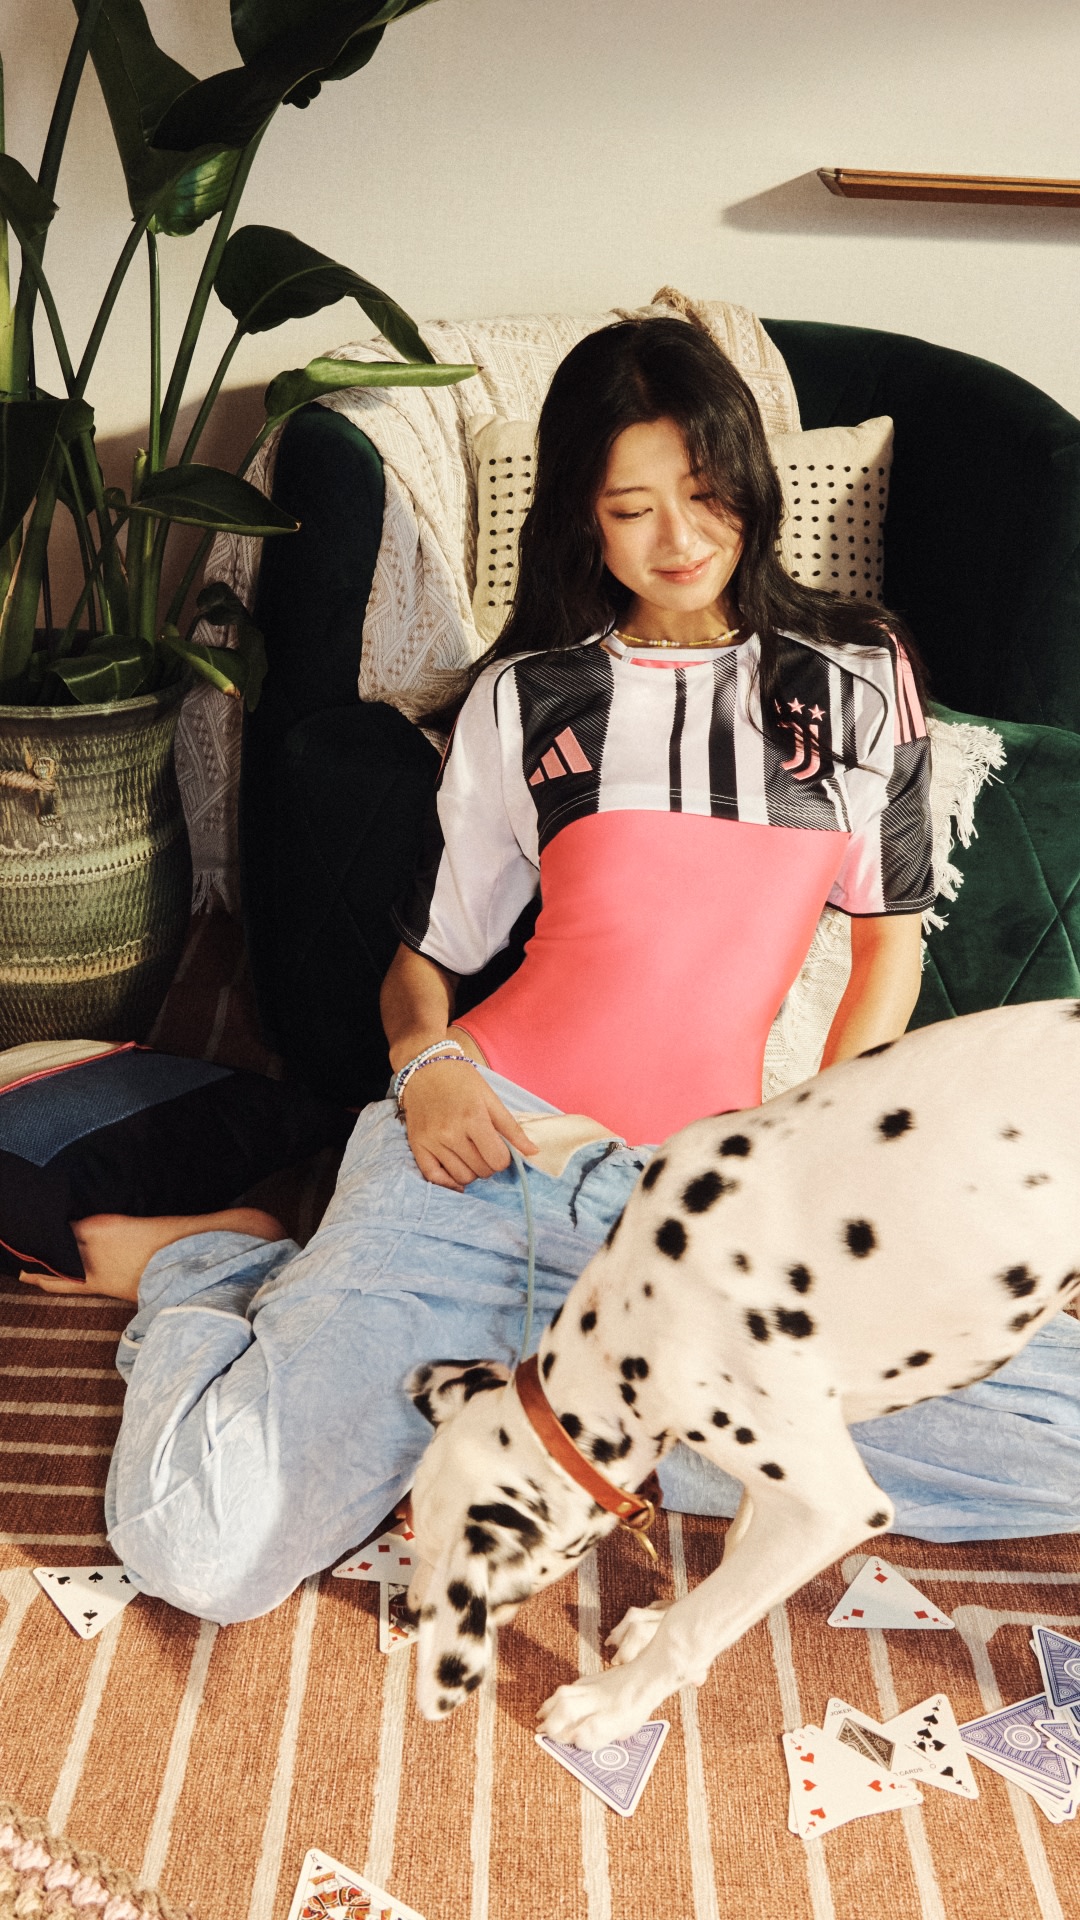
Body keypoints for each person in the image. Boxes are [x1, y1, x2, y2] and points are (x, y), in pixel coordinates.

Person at [18, 319, 1080, 1624]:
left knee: (1059, 1435)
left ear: (752, 480)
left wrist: (824, 1176)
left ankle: (526, 1400)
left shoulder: (861, 675)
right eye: (632, 509)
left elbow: (886, 959)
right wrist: (428, 1067)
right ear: (583, 518)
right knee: (206, 1556)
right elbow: (424, 966)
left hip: (701, 1212)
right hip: (485, 1165)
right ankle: (220, 1276)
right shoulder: (531, 696)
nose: (680, 538)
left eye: (706, 492)